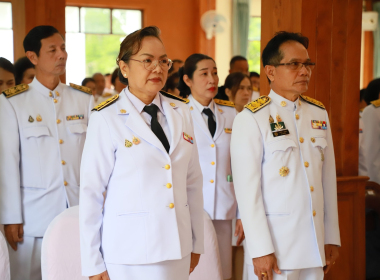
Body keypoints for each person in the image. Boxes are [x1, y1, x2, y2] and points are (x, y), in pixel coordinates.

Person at [79, 26, 204, 280]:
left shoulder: (181, 111)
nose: (157, 69)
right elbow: (91, 192)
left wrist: (196, 241)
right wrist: (93, 263)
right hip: (130, 253)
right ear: (124, 68)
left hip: (178, 248)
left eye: (163, 61)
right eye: (147, 61)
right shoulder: (106, 118)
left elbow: (193, 182)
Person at [231, 31, 340, 280]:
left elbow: (327, 181)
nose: (304, 71)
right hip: (276, 249)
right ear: (270, 71)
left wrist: (331, 237)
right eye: (294, 64)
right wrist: (260, 249)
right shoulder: (251, 118)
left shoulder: (317, 113)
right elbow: (248, 193)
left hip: (313, 245)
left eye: (307, 64)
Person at [0, 25, 94, 280]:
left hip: (78, 212)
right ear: (33, 57)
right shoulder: (13, 102)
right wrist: (10, 217)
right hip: (33, 219)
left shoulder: (83, 99)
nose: (61, 55)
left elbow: (95, 158)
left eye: (63, 48)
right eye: (52, 50)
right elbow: (8, 163)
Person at [178, 54, 244, 280]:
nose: (212, 79)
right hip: (190, 209)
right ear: (188, 80)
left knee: (223, 272)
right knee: (196, 273)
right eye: (204, 73)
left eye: (214, 72)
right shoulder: (177, 113)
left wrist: (242, 212)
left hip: (225, 209)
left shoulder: (231, 113)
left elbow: (239, 166)